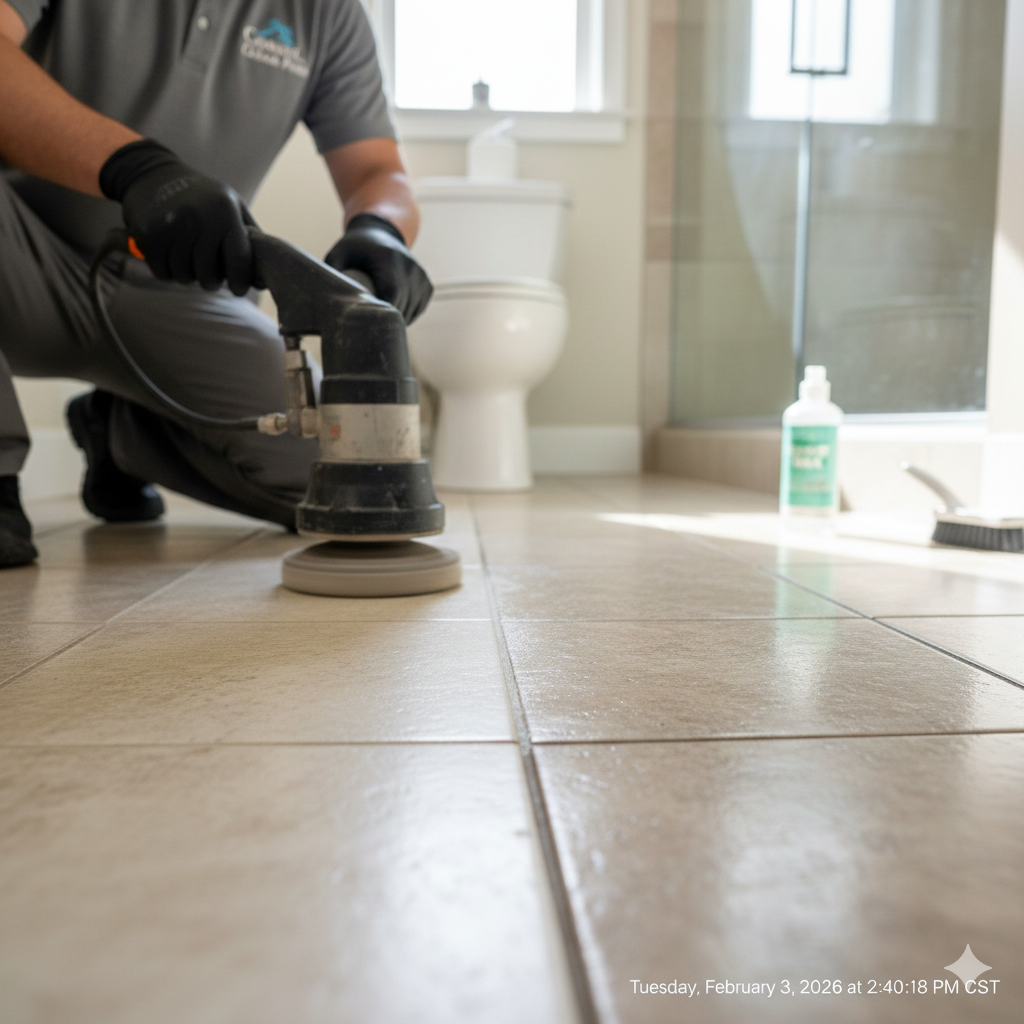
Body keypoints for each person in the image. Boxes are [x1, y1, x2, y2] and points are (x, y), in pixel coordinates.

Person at [0, 0, 433, 568]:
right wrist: (137, 169)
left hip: (182, 292)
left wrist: (382, 230)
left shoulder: (327, 13)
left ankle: (123, 433)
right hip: (22, 255)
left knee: (340, 470)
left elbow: (378, 170)